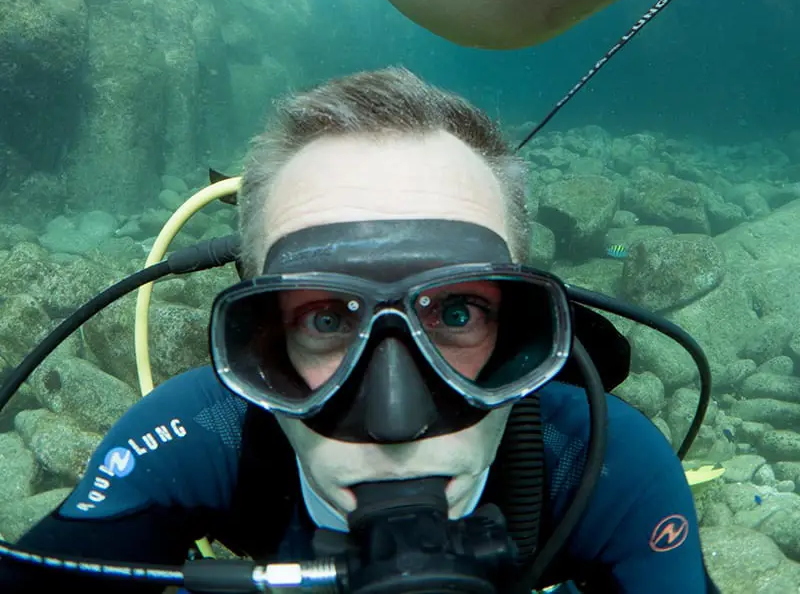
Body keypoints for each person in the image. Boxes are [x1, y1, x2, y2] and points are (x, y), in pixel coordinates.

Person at [0, 67, 720, 593]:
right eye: (325, 319)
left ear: (522, 333)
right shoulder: (197, 439)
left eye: (457, 313)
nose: (395, 423)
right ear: (260, 344)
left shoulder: (601, 465)